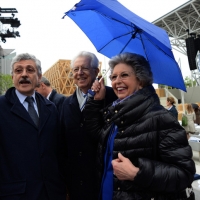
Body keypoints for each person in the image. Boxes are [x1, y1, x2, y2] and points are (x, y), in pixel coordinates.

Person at [84, 52, 196, 200]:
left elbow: (183, 174)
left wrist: (136, 173)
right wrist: (96, 101)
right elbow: (97, 134)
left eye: (124, 75)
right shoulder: (116, 115)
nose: (117, 81)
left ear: (141, 80)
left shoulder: (161, 119)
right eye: (113, 76)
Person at [0, 53, 66, 200]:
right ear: (12, 77)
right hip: (15, 194)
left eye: (30, 70)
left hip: (52, 193)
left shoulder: (51, 108)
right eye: (18, 70)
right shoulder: (1, 107)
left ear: (39, 76)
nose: (24, 74)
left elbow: (58, 151)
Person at [60, 51, 117, 200]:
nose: (79, 73)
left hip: (104, 181)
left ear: (96, 71)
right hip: (76, 184)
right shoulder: (65, 104)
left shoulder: (113, 98)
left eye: (84, 68)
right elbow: (63, 145)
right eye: (75, 69)